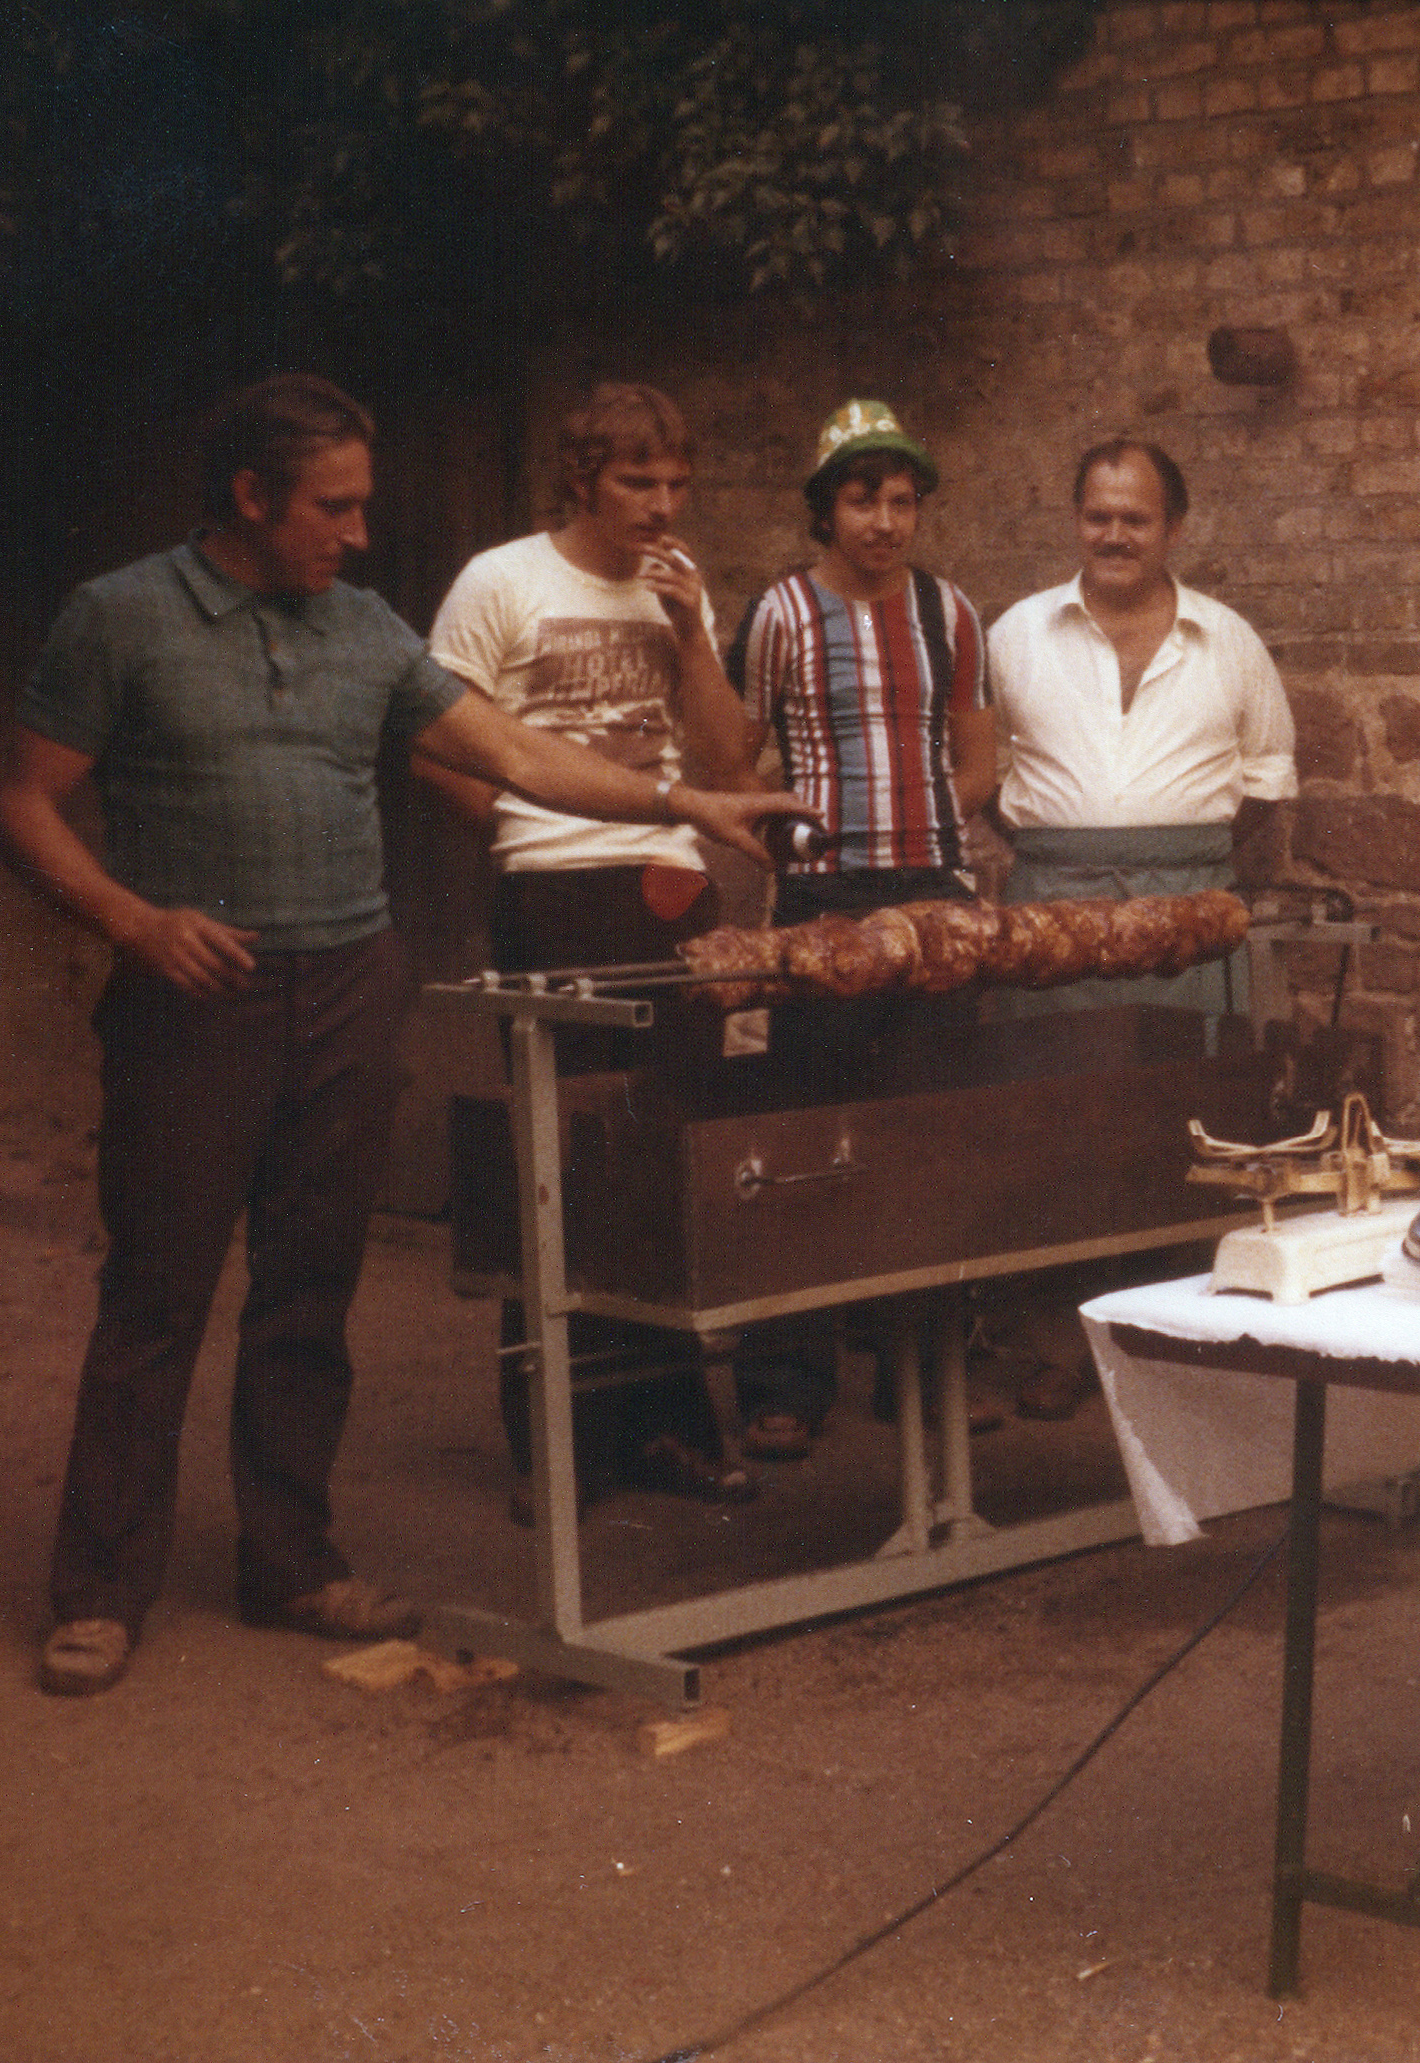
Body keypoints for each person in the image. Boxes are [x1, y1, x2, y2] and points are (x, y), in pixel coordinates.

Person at [0, 372, 802, 1698]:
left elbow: (515, 754)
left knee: (311, 1288)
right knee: (157, 1294)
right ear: (249, 496)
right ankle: (98, 1587)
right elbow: (22, 804)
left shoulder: (361, 627)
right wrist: (132, 922)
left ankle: (292, 1558)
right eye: (334, 506)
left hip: (351, 980)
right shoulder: (121, 616)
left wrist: (682, 798)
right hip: (193, 993)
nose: (358, 533)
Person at [417, 381, 784, 1522]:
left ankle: (669, 1428)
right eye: (638, 482)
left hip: (669, 886)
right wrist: (532, 834)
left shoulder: (678, 585)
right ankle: (558, 1452)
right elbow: (434, 744)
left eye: (677, 484)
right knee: (561, 1160)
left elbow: (724, 761)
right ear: (582, 478)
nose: (661, 505)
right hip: (553, 891)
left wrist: (688, 631)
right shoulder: (501, 579)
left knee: (661, 1154)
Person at [978, 435, 1297, 1418]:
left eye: (1137, 517)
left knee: (1185, 1122)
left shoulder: (1227, 640)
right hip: (1052, 910)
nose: (1114, 533)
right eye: (1098, 515)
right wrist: (1068, 860)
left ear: (1174, 528)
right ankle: (1052, 1344)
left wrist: (1179, 874)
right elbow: (985, 775)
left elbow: (1264, 782)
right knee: (1053, 1123)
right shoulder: (1016, 634)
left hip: (1188, 912)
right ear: (1077, 519)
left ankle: (1176, 1337)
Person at [721, 399, 994, 1461]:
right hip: (823, 901)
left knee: (927, 1135)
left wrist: (928, 830)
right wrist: (789, 852)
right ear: (824, 509)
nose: (883, 520)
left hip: (933, 894)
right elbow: (733, 760)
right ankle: (786, 1377)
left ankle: (921, 1369)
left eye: (900, 498)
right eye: (859, 497)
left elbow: (980, 756)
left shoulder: (951, 612)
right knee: (804, 1137)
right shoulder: (780, 614)